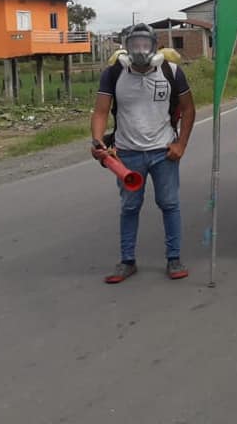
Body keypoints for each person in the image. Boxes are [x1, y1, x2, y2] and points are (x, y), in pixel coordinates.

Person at [90, 23, 196, 284]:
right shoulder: (114, 74)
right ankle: (127, 261)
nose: (140, 49)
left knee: (169, 204)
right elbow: (101, 111)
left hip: (164, 152)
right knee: (129, 207)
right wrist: (98, 141)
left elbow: (189, 109)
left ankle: (174, 258)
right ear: (126, 47)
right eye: (134, 44)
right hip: (127, 154)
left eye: (145, 44)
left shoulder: (172, 72)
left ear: (154, 46)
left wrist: (181, 144)